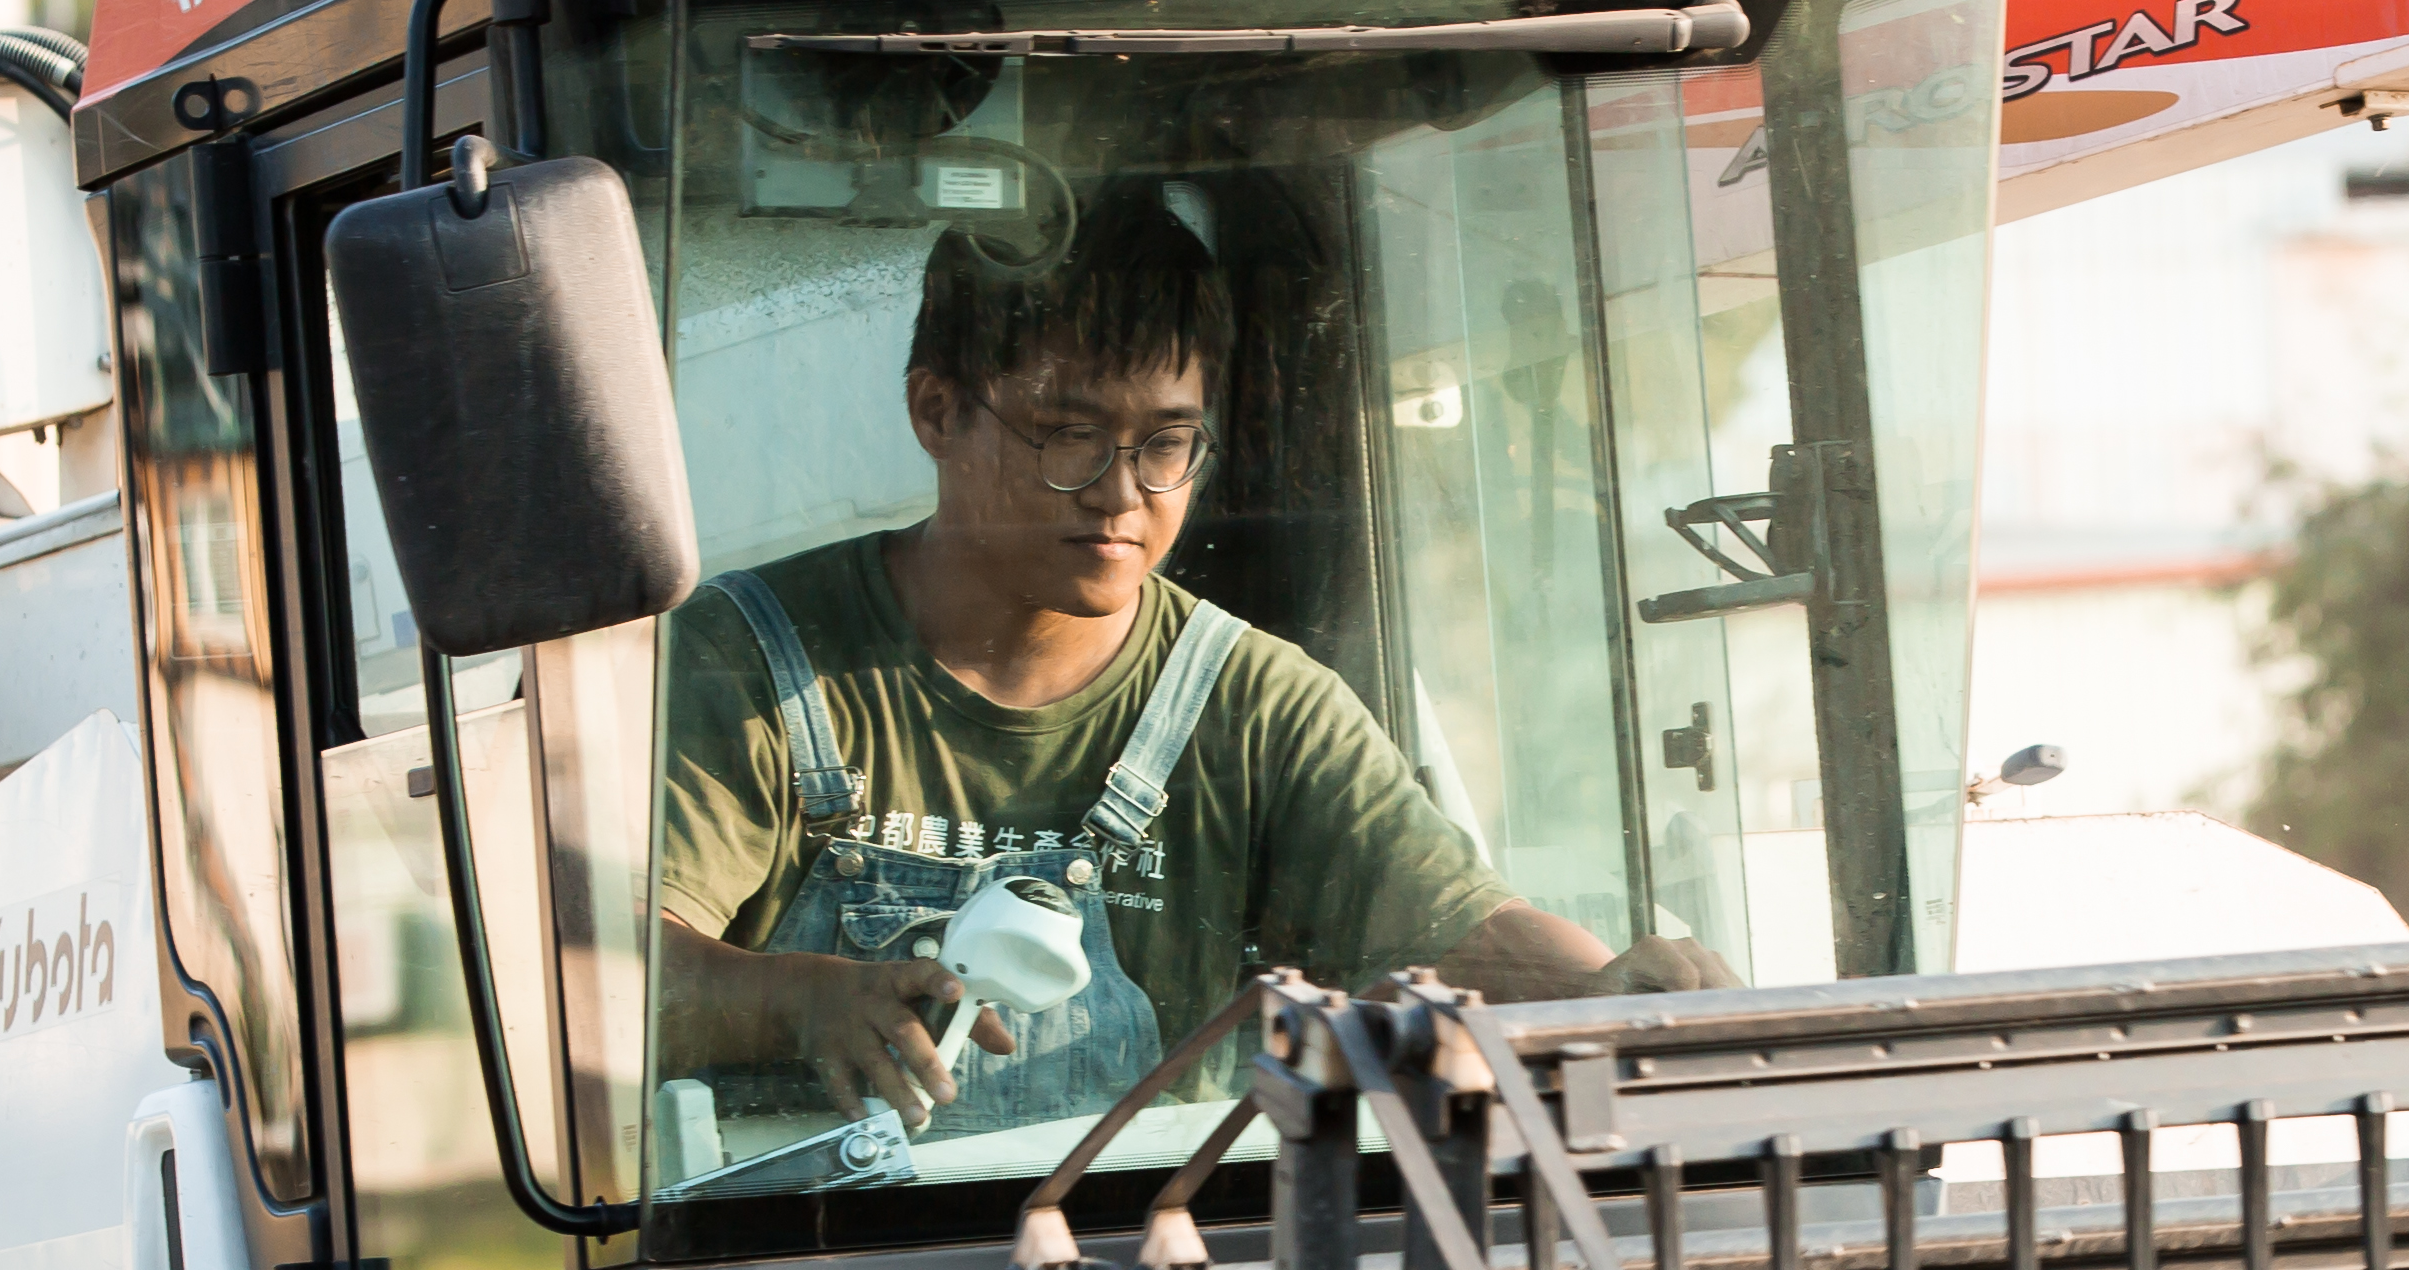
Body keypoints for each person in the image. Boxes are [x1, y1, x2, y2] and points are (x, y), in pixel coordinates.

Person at [655, 184, 1727, 1166]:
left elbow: (1458, 930)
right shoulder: (750, 661)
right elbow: (605, 982)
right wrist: (798, 1002)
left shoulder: (1255, 704)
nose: (1122, 493)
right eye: (1069, 435)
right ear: (937, 411)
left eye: (1167, 443)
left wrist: (1603, 996)